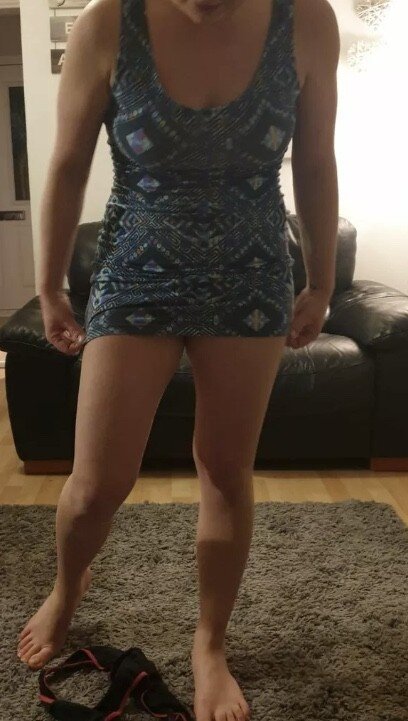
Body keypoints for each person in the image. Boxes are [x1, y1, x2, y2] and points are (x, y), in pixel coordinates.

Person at [17, 0, 340, 719]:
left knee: (225, 472)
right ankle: (68, 588)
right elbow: (68, 164)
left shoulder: (307, 21)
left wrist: (320, 282)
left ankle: (209, 644)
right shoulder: (106, 24)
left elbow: (316, 161)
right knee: (96, 485)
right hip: (136, 272)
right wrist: (50, 287)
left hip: (252, 275)